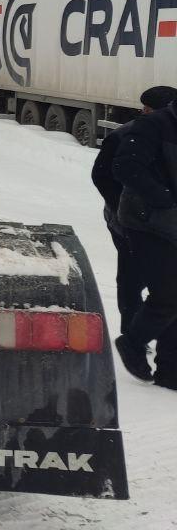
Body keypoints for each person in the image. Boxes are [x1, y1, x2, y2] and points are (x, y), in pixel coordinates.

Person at [93, 86, 177, 334]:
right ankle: (132, 333)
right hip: (130, 222)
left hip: (164, 222)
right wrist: (124, 207)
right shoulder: (125, 134)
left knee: (162, 283)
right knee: (133, 279)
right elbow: (102, 175)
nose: (144, 112)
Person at [113, 94, 177, 385]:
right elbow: (125, 166)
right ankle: (133, 341)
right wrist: (163, 199)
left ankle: (170, 371)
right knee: (167, 295)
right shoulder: (153, 124)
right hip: (147, 223)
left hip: (172, 223)